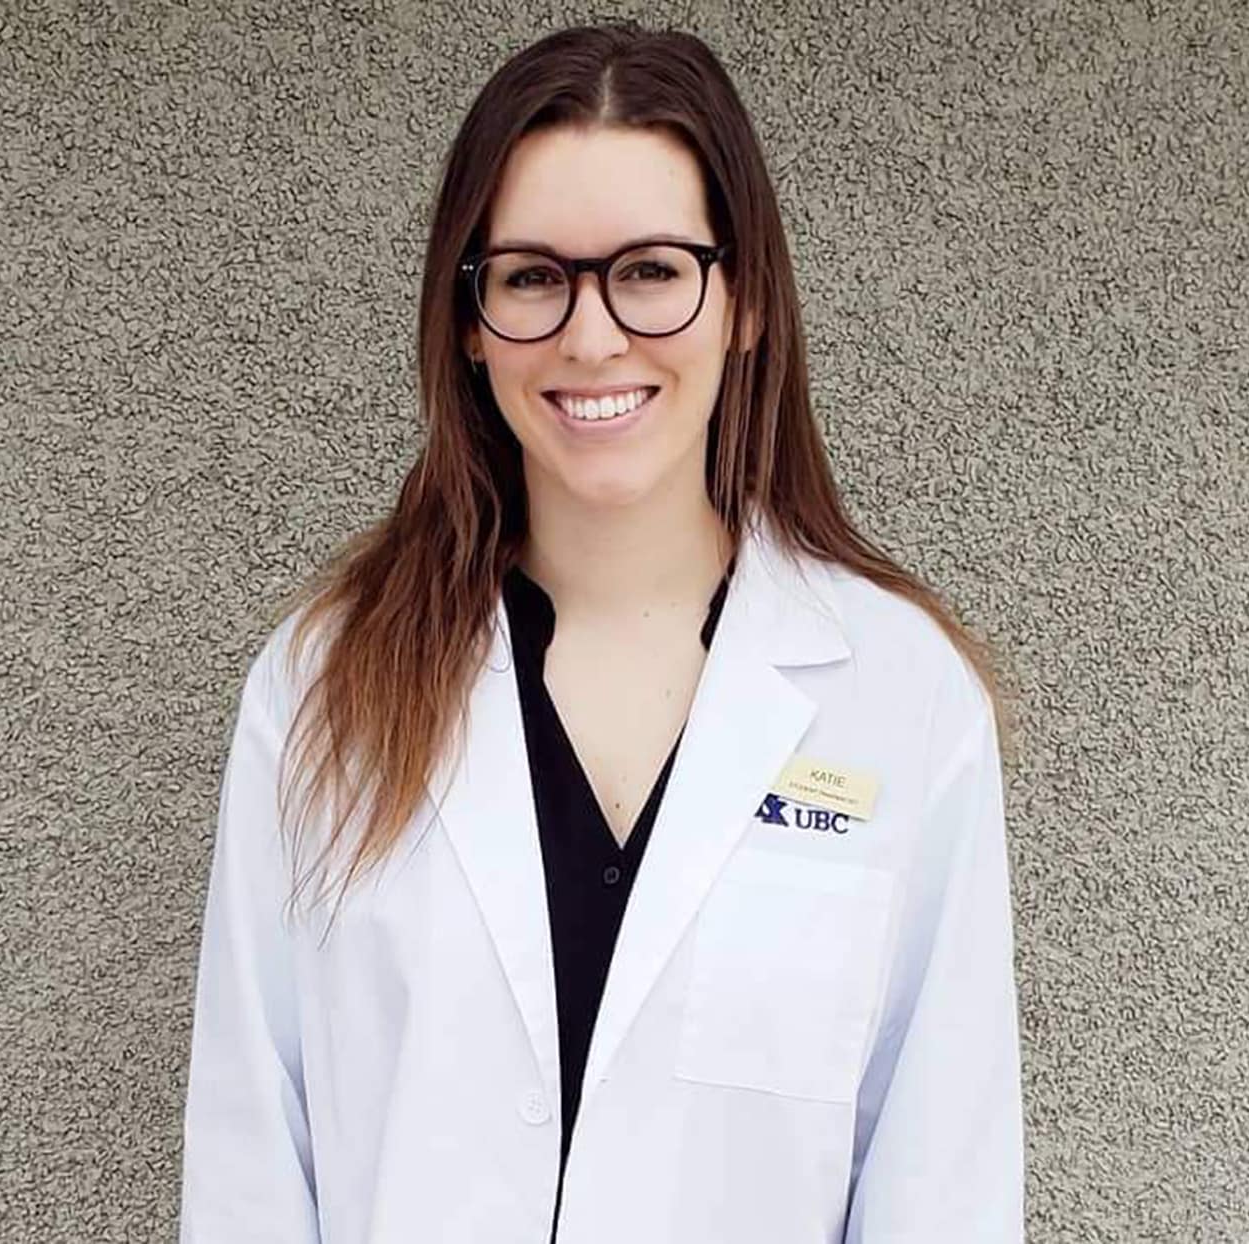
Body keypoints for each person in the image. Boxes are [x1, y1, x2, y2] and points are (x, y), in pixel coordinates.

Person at [178, 21, 1023, 1244]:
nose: (589, 336)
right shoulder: (320, 686)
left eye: (649, 269)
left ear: (740, 302)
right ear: (466, 319)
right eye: (531, 276)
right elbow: (250, 1161)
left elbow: (941, 1177)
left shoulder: (899, 697)